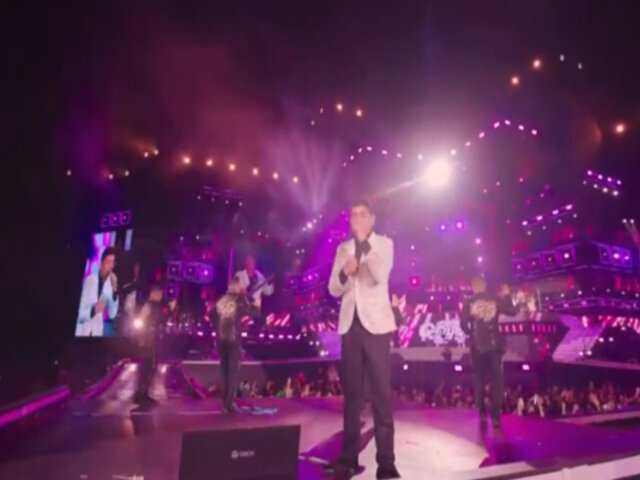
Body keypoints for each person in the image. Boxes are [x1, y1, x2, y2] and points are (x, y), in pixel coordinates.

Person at [325, 200, 400, 480]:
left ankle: (387, 464)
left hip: (377, 327)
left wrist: (363, 245)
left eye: (362, 214)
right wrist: (345, 271)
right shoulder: (342, 249)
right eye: (354, 215)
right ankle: (348, 459)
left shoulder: (384, 244)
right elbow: (333, 288)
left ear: (372, 219)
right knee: (352, 397)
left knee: (381, 395)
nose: (357, 218)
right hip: (350, 326)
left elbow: (380, 275)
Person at [460, 276, 519, 429]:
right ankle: (496, 417)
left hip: (477, 347)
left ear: (473, 286)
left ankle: (481, 413)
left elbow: (463, 324)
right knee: (497, 381)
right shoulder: (495, 298)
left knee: (478, 379)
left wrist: (472, 334)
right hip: (494, 346)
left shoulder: (468, 302)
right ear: (485, 286)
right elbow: (512, 311)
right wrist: (507, 295)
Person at [215, 276, 261, 414]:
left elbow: (213, 317)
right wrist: (257, 304)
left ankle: (224, 404)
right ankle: (230, 403)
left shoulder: (221, 300)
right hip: (233, 340)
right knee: (232, 372)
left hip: (221, 340)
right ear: (237, 287)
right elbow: (254, 313)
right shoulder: (239, 300)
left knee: (224, 371)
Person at [133, 283, 165, 406]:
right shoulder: (148, 305)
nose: (161, 296)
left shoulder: (156, 306)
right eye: (159, 294)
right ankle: (140, 394)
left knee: (150, 367)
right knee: (146, 368)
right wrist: (142, 338)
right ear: (153, 293)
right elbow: (141, 321)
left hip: (152, 341)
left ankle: (145, 393)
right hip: (147, 342)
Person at [76, 247, 119, 337]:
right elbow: (79, 314)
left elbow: (112, 314)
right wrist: (93, 310)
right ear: (101, 263)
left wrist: (115, 290)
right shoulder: (89, 281)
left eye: (112, 263)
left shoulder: (110, 286)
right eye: (108, 262)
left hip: (97, 332)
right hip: (83, 331)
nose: (110, 267)